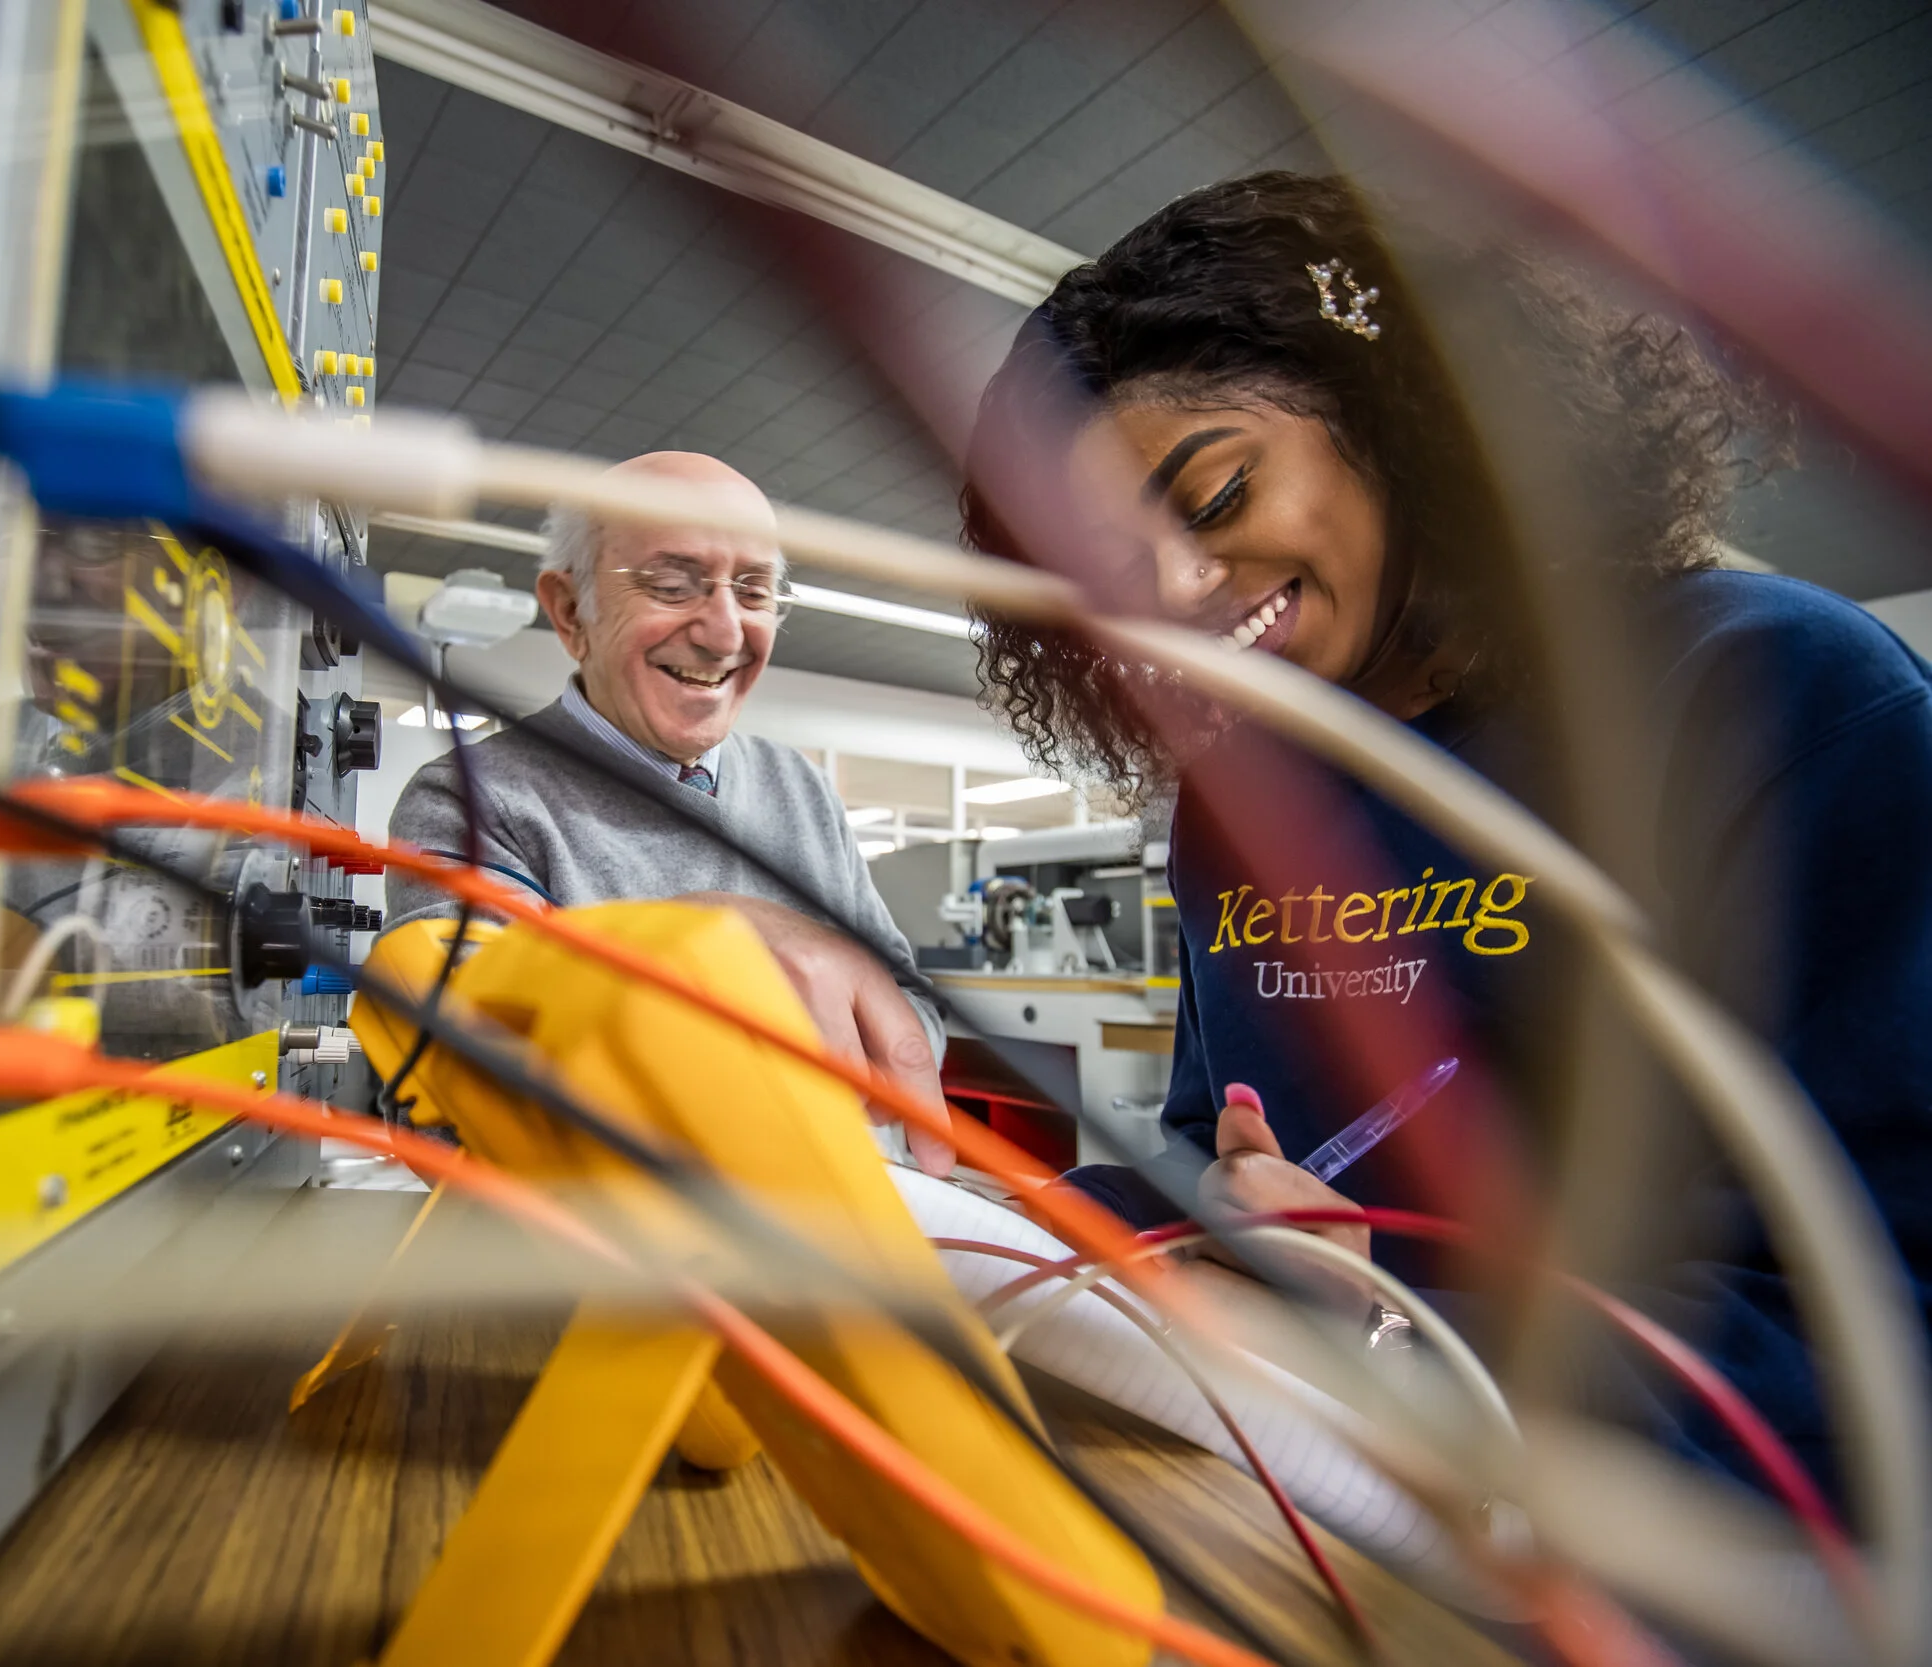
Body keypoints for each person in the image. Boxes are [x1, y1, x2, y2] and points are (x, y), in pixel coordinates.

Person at [959, 172, 1932, 1500]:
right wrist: (1012, 1242)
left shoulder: (1770, 689)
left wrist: (1400, 1352)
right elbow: (1222, 1150)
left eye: (1220, 493)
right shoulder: (1240, 801)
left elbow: (1882, 1296)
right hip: (1337, 1508)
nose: (1178, 593)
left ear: (1392, 419)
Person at [383, 450, 955, 1170]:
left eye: (754, 591)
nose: (723, 633)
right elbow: (461, 1080)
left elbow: (910, 1011)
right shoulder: (474, 800)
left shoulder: (798, 788)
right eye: (673, 585)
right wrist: (692, 945)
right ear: (570, 612)